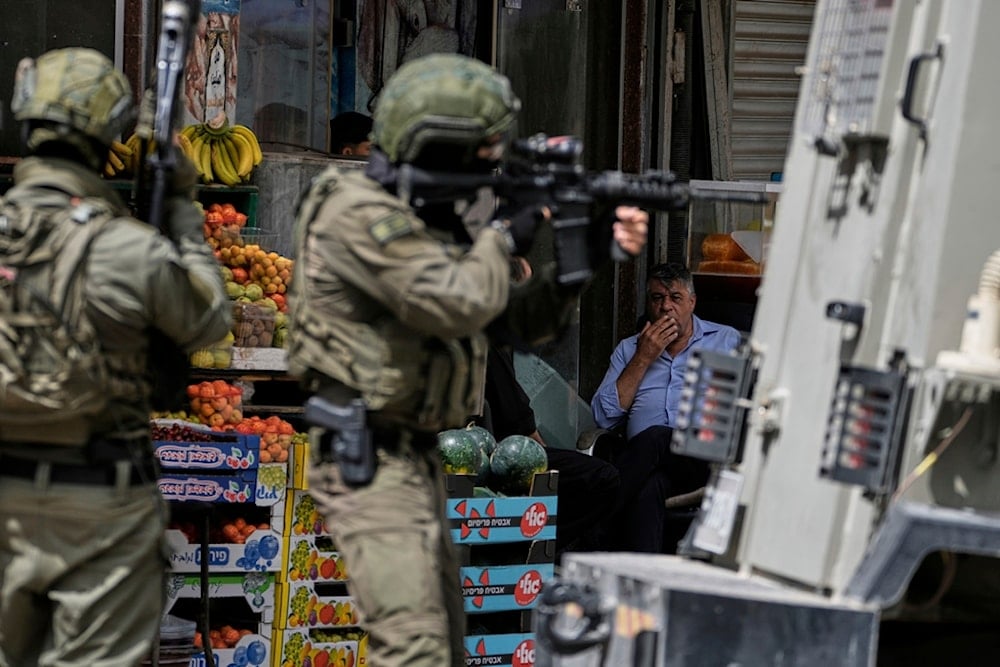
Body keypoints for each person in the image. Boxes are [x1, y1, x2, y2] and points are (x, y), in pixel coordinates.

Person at [288, 52, 648, 667]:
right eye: (479, 155)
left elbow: (516, 325)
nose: (488, 169)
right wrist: (508, 230)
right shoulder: (352, 207)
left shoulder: (433, 221)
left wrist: (578, 253)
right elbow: (451, 304)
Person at [0, 48, 232, 665]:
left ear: (25, 125)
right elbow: (209, 319)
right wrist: (180, 204)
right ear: (110, 141)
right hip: (102, 511)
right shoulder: (129, 248)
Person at [590, 262, 741, 553]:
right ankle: (641, 575)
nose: (666, 307)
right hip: (642, 461)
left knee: (659, 435)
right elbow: (604, 417)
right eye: (658, 298)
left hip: (700, 456)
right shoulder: (630, 348)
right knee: (650, 486)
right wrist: (644, 357)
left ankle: (593, 521)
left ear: (692, 303)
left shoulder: (725, 340)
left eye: (676, 298)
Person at [483, 341, 621, 558]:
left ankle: (530, 547)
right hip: (498, 451)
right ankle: (529, 549)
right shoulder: (488, 335)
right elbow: (514, 416)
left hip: (501, 446)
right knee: (603, 479)